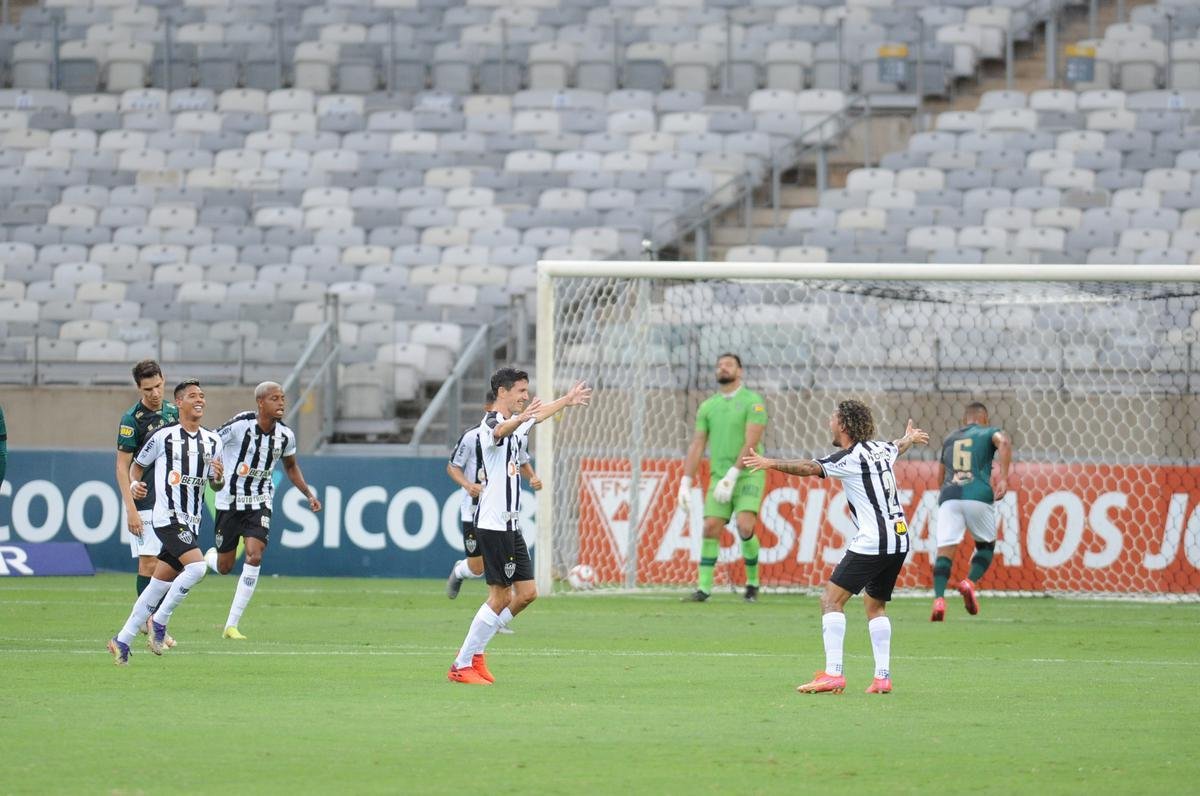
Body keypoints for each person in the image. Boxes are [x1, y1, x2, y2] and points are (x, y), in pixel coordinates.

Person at [743, 400, 929, 695]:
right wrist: (909, 438)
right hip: (900, 537)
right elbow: (898, 446)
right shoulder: (881, 449)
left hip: (874, 540)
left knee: (830, 600)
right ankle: (882, 677)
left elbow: (809, 467)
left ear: (843, 425)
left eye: (833, 418)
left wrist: (770, 463)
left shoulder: (849, 458)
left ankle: (833, 674)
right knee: (875, 605)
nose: (829, 422)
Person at [447, 368, 591, 685]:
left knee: (526, 593)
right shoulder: (490, 425)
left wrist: (566, 400)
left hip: (511, 525)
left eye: (526, 391)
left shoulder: (518, 422)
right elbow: (501, 431)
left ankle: (477, 653)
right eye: (521, 391)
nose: (525, 396)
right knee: (499, 597)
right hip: (493, 524)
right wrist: (522, 417)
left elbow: (537, 416)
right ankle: (461, 664)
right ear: (503, 391)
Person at [107, 379, 224, 665]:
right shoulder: (163, 437)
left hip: (192, 521)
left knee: (157, 585)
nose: (200, 400)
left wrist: (219, 479)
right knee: (197, 567)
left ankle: (122, 640)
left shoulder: (213, 441)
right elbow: (136, 467)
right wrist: (134, 486)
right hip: (167, 517)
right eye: (193, 396)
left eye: (202, 395)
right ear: (179, 402)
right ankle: (160, 621)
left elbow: (215, 484)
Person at [204, 382, 322, 639]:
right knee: (224, 566)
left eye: (282, 398)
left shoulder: (285, 436)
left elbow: (291, 467)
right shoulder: (240, 425)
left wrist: (308, 494)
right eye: (274, 398)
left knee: (255, 555)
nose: (281, 403)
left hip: (260, 502)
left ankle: (231, 625)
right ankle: (208, 559)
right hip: (229, 502)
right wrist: (214, 470)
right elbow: (211, 441)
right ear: (260, 402)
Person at [445, 393, 543, 622]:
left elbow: (521, 460)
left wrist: (532, 476)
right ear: (488, 407)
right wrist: (467, 485)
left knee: (513, 590)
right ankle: (460, 571)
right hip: (474, 509)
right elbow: (452, 467)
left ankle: (494, 622)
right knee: (477, 568)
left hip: (500, 513)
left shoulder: (516, 432)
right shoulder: (472, 436)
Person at [678, 353, 768, 602]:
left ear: (740, 371)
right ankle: (704, 589)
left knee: (745, 525)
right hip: (719, 476)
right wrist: (685, 482)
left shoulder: (753, 402)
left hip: (748, 474)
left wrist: (734, 473)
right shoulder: (708, 406)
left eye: (728, 364)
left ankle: (752, 584)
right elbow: (698, 444)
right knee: (710, 527)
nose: (722, 368)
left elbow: (752, 441)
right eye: (719, 365)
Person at [114, 360, 180, 646]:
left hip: (171, 500)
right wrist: (130, 508)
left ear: (164, 380)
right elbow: (122, 467)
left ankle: (151, 620)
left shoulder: (174, 412)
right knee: (149, 563)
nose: (154, 393)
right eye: (147, 389)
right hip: (144, 501)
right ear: (138, 388)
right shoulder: (132, 420)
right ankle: (151, 623)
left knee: (171, 565)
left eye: (158, 386)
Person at [931, 402, 1012, 621]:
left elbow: (940, 476)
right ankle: (968, 582)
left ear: (965, 420)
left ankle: (939, 600)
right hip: (978, 494)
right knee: (986, 546)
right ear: (984, 418)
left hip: (949, 496)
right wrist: (1004, 478)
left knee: (944, 551)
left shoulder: (950, 438)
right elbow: (1004, 442)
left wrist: (946, 496)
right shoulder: (989, 432)